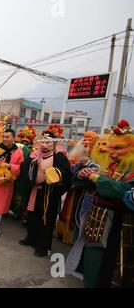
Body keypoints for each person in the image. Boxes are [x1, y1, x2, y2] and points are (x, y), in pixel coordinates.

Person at [66, 120, 134, 287]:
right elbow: (96, 183)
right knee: (93, 261)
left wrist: (96, 178)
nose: (111, 152)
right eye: (111, 147)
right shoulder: (110, 167)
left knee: (111, 267)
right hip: (97, 220)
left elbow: (123, 190)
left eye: (117, 148)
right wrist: (83, 175)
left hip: (119, 226)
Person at [19, 133, 72, 257]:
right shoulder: (34, 155)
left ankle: (43, 246)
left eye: (48, 142)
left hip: (49, 193)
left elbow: (67, 175)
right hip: (34, 191)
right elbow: (24, 169)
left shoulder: (59, 158)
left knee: (46, 220)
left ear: (54, 144)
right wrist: (32, 163)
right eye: (42, 142)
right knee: (32, 216)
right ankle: (30, 238)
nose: (44, 145)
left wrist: (53, 175)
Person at [10, 125, 37, 221]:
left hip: (23, 176)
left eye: (28, 138)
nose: (25, 139)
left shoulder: (34, 150)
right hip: (12, 171)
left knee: (20, 194)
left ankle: (19, 213)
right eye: (23, 137)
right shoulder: (14, 146)